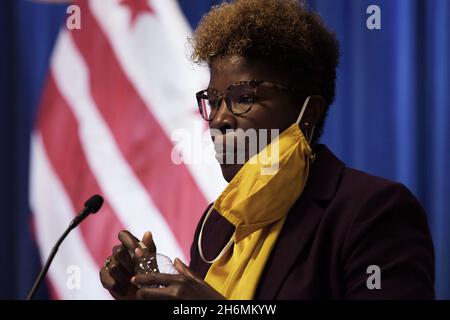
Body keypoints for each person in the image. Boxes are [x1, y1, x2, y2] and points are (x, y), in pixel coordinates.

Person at [99, 0, 434, 299]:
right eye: (213, 102)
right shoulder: (217, 226)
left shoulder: (371, 212)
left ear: (309, 111)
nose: (219, 120)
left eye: (243, 97)